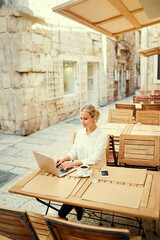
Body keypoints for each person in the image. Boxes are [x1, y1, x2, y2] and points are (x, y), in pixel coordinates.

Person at [56, 104, 108, 220]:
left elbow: (95, 159)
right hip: (80, 171)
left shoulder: (102, 136)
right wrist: (64, 158)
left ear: (94, 117)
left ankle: (60, 216)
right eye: (81, 118)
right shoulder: (80, 133)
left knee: (72, 191)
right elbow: (74, 150)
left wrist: (74, 163)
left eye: (85, 118)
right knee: (65, 185)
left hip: (95, 173)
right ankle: (76, 206)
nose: (82, 122)